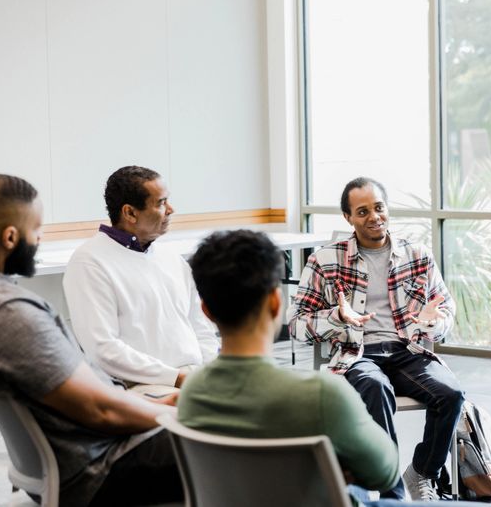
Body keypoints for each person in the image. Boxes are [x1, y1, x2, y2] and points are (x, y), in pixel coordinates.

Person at [179, 229, 475, 506]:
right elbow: (382, 473)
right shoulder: (323, 395)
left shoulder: (192, 393)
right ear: (274, 302)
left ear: (205, 310)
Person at [0, 174, 182, 507]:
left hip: (77, 460)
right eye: (37, 228)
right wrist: (173, 412)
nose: (41, 238)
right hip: (98, 468)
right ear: (11, 237)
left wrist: (158, 405)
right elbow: (101, 410)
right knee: (235, 434)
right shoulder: (10, 314)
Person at [287, 177, 464, 501]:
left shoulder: (418, 255)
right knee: (375, 387)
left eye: (379, 208)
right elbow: (296, 324)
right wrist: (336, 317)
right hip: (357, 353)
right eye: (363, 211)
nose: (374, 217)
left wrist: (433, 323)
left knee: (451, 394)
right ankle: (390, 491)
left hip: (406, 349)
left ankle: (421, 473)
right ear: (348, 218)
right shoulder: (325, 261)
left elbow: (446, 312)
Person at [63, 166, 219, 394]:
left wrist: (210, 370)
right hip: (143, 385)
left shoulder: (171, 258)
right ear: (130, 213)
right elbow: (103, 349)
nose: (171, 210)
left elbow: (200, 327)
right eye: (161, 203)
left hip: (193, 376)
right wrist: (177, 378)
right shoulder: (89, 263)